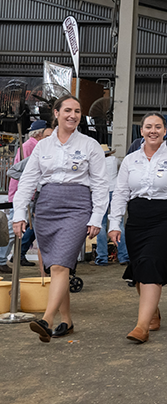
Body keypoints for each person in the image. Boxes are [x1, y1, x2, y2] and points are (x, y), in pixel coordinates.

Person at [12, 95, 108, 342]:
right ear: (55, 113)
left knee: (60, 265)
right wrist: (20, 213)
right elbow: (28, 182)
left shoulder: (90, 145)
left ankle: (47, 319)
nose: (72, 115)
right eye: (67, 110)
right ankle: (67, 320)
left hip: (77, 207)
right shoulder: (43, 146)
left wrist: (97, 216)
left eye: (77, 111)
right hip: (46, 207)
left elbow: (99, 184)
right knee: (56, 267)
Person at [108, 113, 167, 343]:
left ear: (165, 131)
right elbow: (121, 193)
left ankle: (141, 326)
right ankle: (152, 312)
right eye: (148, 127)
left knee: (152, 262)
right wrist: (114, 224)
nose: (153, 130)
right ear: (142, 131)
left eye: (158, 127)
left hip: (165, 218)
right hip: (136, 220)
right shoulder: (130, 160)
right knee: (139, 268)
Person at [2, 119, 50, 273]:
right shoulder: (32, 147)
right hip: (24, 193)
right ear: (40, 134)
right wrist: (31, 180)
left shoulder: (34, 146)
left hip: (30, 194)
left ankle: (15, 255)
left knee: (29, 229)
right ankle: (2, 258)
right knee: (12, 228)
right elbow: (22, 170)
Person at [94, 144, 129, 267]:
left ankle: (102, 257)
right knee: (118, 224)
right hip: (115, 191)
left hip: (101, 192)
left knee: (101, 225)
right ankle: (123, 256)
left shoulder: (95, 162)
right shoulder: (114, 160)